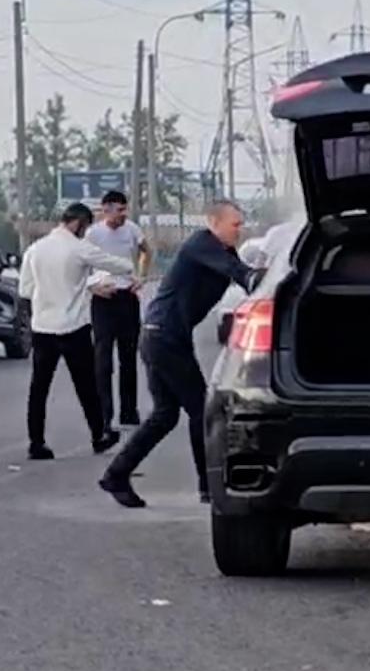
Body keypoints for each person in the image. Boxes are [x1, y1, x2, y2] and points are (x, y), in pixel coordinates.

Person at [99, 199, 257, 508]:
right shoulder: (202, 243)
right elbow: (241, 274)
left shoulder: (222, 249)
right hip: (164, 338)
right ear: (215, 222)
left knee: (165, 415)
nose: (240, 230)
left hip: (165, 336)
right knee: (202, 411)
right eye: (235, 224)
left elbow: (245, 274)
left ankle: (116, 475)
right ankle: (209, 486)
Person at [17, 203, 138, 461]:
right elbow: (115, 264)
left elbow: (26, 290)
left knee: (39, 388)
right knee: (87, 386)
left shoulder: (35, 250)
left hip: (43, 327)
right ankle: (99, 435)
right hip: (73, 327)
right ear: (79, 223)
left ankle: (36, 442)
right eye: (86, 225)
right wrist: (131, 269)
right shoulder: (79, 248)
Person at [86, 189, 150, 429]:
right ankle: (104, 412)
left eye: (125, 209)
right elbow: (82, 264)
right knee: (103, 358)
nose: (123, 214)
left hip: (127, 296)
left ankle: (129, 410)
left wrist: (141, 276)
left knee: (128, 356)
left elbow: (146, 250)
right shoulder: (93, 234)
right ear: (106, 210)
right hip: (104, 298)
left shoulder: (132, 230)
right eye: (119, 210)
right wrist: (92, 286)